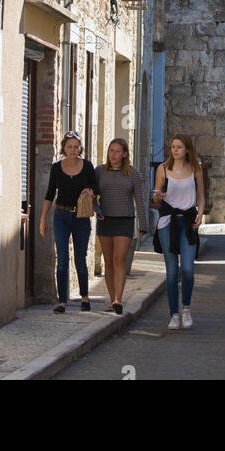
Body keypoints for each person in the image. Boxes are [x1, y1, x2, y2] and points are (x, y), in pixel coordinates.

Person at [39, 130, 97, 314]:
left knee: (80, 258)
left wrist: (91, 192)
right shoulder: (57, 168)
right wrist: (43, 220)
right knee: (62, 259)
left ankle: (85, 298)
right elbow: (50, 194)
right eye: (69, 146)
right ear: (64, 147)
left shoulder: (87, 166)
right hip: (61, 216)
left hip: (81, 217)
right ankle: (62, 301)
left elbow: (96, 188)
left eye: (76, 146)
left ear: (80, 147)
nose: (73, 150)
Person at [151, 133, 204, 330]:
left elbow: (201, 196)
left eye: (179, 147)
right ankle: (174, 314)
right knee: (172, 271)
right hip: (167, 222)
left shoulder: (195, 168)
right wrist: (158, 196)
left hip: (188, 221)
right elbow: (156, 194)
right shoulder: (163, 169)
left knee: (188, 269)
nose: (175, 150)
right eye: (173, 146)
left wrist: (200, 214)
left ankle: (187, 309)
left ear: (187, 149)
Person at [94, 137, 149, 315]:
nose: (113, 154)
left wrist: (143, 225)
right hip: (105, 221)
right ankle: (112, 300)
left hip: (125, 220)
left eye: (117, 151)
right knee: (108, 261)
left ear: (125, 154)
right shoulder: (99, 172)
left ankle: (118, 299)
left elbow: (139, 200)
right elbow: (91, 195)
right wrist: (97, 210)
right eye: (111, 151)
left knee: (120, 259)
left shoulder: (132, 173)